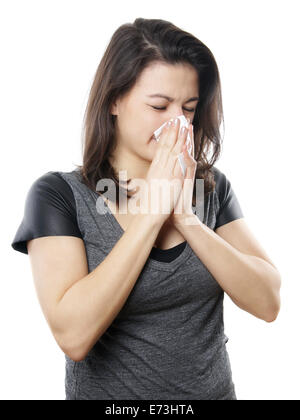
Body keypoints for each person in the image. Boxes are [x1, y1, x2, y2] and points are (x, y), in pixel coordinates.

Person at [11, 18, 281, 400]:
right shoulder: (58, 195)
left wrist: (186, 218)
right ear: (114, 101)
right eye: (159, 105)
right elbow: (73, 336)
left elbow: (268, 302)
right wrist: (153, 212)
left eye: (188, 108)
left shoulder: (210, 187)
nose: (177, 123)